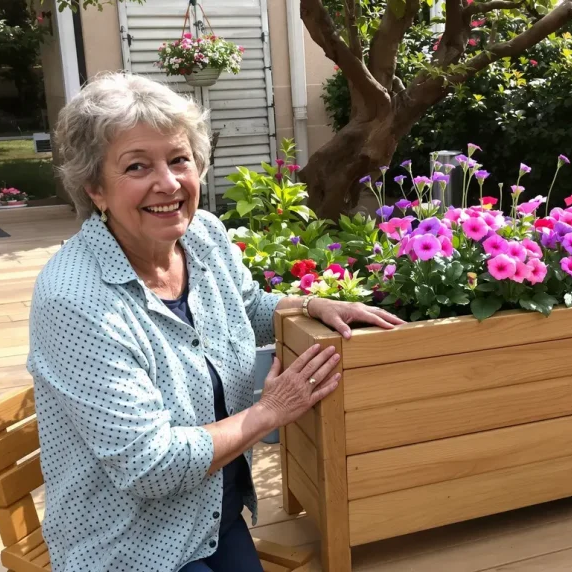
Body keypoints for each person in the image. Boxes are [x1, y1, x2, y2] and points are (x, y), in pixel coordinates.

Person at [29, 72, 404, 572]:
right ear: (95, 187)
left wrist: (310, 305)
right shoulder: (74, 300)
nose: (168, 183)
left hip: (210, 516)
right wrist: (270, 412)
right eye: (137, 166)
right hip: (129, 546)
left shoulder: (201, 234)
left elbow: (246, 306)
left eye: (179, 159)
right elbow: (151, 466)